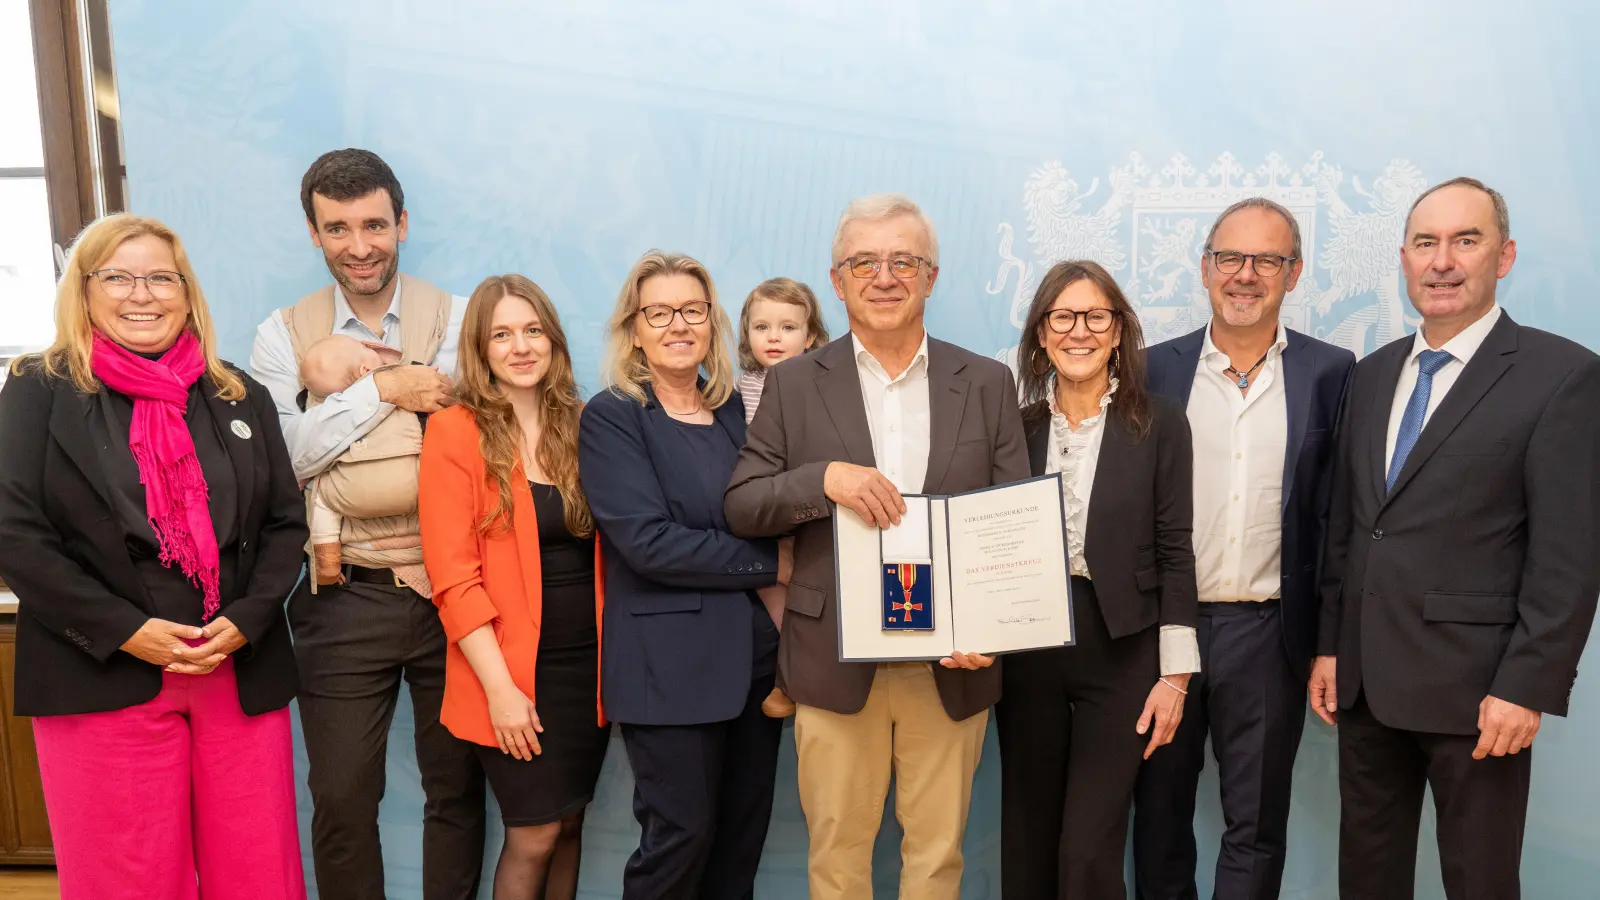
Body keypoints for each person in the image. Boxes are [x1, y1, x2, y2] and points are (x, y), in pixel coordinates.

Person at [725, 194, 1028, 900]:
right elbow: (743, 504)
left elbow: (1011, 519)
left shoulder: (986, 382)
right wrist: (822, 480)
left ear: (931, 276)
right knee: (836, 861)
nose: (884, 277)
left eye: (904, 261)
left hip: (950, 661)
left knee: (937, 861)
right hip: (834, 657)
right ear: (838, 281)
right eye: (864, 262)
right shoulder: (793, 383)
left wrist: (993, 629)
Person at [0, 214, 307, 899]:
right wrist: (126, 631)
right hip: (102, 669)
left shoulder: (237, 394)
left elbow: (286, 523)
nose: (142, 295)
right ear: (84, 291)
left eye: (162, 278)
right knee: (126, 880)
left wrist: (249, 619)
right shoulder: (37, 388)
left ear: (186, 293)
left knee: (258, 875)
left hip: (235, 668)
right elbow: (14, 532)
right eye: (118, 276)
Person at [1310, 177, 1600, 899]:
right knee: (1366, 880)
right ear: (1404, 258)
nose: (1442, 261)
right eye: (1425, 243)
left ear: (1504, 256)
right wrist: (1331, 646)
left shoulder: (1562, 375)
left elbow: (1568, 558)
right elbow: (1351, 526)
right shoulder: (1371, 375)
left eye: (1465, 241)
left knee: (1480, 883)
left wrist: (1525, 687)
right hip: (1366, 687)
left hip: (1479, 697)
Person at [250, 148, 485, 900]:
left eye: (375, 225)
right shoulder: (282, 335)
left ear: (402, 224)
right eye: (338, 228)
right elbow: (283, 460)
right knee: (343, 799)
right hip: (341, 593)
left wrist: (337, 411)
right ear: (313, 233)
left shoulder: (460, 320)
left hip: (454, 591)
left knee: (457, 789)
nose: (360, 246)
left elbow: (475, 440)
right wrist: (386, 388)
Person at [1134, 199, 1355, 900]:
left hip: (1267, 634)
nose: (1246, 274)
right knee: (1158, 818)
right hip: (1161, 631)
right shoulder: (1149, 371)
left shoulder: (1331, 373)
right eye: (1231, 257)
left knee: (1256, 826)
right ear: (1205, 268)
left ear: (1294, 273)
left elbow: (1338, 519)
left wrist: (1329, 642)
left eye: (1267, 260)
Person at [578, 251, 785, 899]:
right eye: (659, 312)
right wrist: (770, 563)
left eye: (693, 310)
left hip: (754, 664)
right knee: (681, 839)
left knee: (739, 846)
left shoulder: (735, 412)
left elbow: (769, 509)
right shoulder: (613, 416)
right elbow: (648, 544)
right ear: (634, 329)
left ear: (712, 321)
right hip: (666, 669)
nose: (678, 325)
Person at [993, 259, 1198, 899]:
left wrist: (1175, 676)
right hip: (1028, 648)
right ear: (1041, 333)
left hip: (1123, 650)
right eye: (1062, 317)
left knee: (1088, 850)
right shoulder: (1015, 426)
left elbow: (1176, 549)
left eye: (1095, 317)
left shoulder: (1160, 421)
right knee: (1028, 838)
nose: (1078, 331)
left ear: (1117, 332)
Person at [419, 275, 608, 900]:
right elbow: (453, 578)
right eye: (501, 334)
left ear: (553, 340)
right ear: (481, 347)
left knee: (571, 824)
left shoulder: (583, 424)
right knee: (536, 833)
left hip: (589, 670)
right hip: (508, 671)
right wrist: (501, 691)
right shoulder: (454, 431)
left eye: (532, 331)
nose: (520, 347)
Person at [734, 276, 830, 718]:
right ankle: (787, 675)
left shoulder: (822, 385)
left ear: (809, 337)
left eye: (787, 327)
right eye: (762, 327)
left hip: (810, 507)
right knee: (772, 584)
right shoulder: (739, 388)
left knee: (813, 589)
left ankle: (805, 672)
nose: (773, 337)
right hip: (763, 510)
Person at [297, 334, 424, 589]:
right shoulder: (405, 387)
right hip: (412, 485)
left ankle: (328, 564)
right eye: (365, 348)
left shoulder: (329, 418)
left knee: (321, 496)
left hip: (348, 493)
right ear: (365, 370)